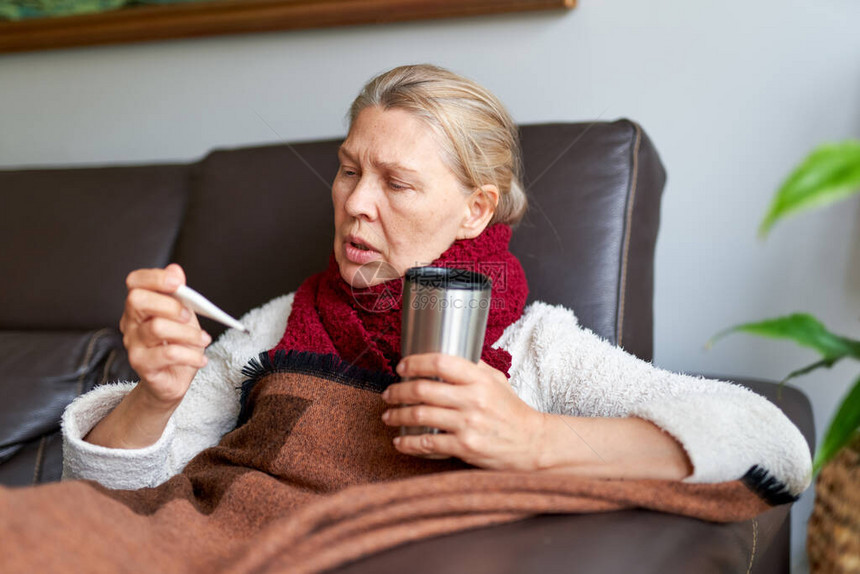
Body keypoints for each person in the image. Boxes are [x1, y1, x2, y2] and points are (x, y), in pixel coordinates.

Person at [62, 64, 811, 501]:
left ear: (474, 209)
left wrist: (537, 439)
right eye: (350, 168)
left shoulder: (538, 349)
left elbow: (776, 446)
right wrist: (152, 398)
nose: (355, 201)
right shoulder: (273, 326)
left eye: (396, 182)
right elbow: (115, 493)